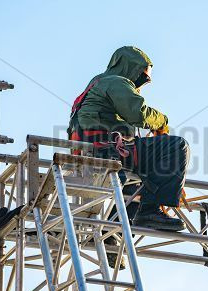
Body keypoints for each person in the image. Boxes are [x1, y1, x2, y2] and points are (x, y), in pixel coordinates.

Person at [68, 46, 189, 232]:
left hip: (96, 152)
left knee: (135, 188)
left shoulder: (96, 84)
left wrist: (171, 179)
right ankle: (150, 210)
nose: (141, 81)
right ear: (130, 67)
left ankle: (111, 239)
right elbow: (138, 114)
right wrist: (162, 121)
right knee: (176, 146)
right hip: (106, 151)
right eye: (141, 75)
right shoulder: (115, 82)